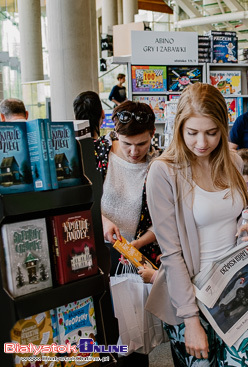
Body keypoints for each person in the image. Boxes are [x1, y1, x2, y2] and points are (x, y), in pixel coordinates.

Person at [144, 83, 248, 366]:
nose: (202, 142)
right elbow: (171, 254)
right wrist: (190, 319)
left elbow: (241, 216)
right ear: (179, 129)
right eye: (192, 133)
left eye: (211, 133)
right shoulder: (163, 172)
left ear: (223, 128)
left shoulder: (233, 161)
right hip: (191, 299)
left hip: (234, 291)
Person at [96, 100, 161, 366]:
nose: (134, 151)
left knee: (133, 339)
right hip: (97, 256)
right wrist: (100, 221)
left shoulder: (159, 164)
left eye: (142, 144)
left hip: (135, 257)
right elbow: (77, 204)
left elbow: (164, 221)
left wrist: (135, 244)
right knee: (100, 332)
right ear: (115, 135)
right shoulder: (97, 155)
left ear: (152, 135)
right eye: (126, 144)